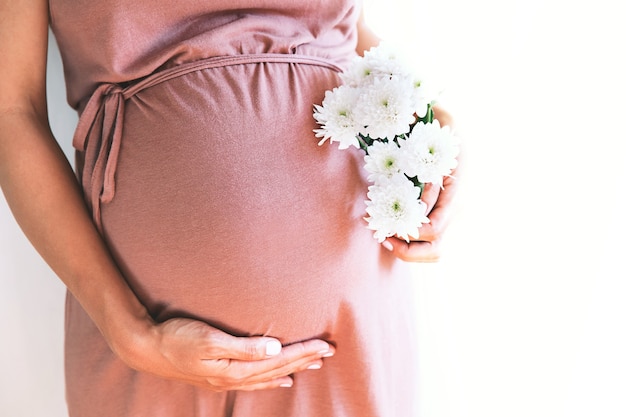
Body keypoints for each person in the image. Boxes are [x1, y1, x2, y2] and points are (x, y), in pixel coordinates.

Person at [0, 0, 458, 415]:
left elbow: (343, 30)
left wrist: (429, 123)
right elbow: (11, 111)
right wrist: (130, 333)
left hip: (347, 321)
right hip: (145, 332)